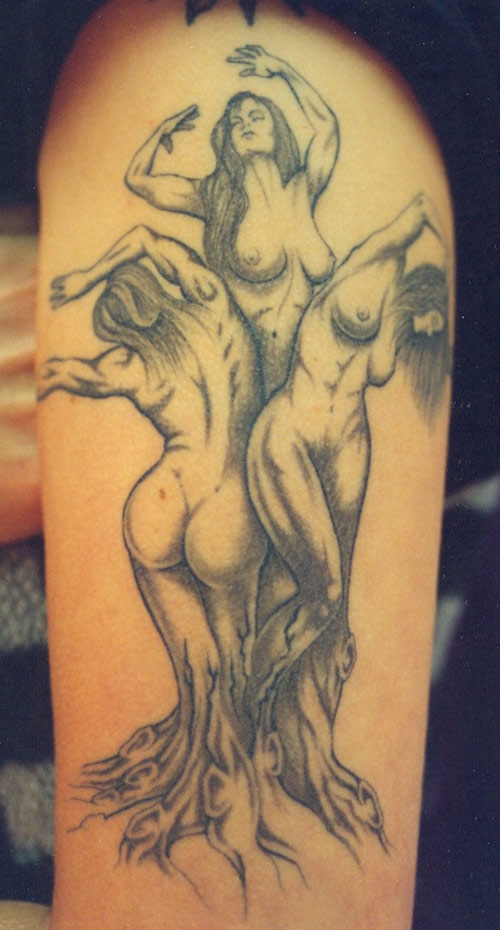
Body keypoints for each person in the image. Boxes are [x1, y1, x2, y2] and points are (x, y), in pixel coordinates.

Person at [39, 232, 267, 869]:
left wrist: (74, 289)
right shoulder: (215, 310)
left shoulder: (133, 369)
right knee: (237, 662)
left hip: (162, 498)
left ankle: (195, 750)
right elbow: (146, 239)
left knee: (196, 667)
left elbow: (68, 374)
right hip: (229, 500)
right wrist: (95, 272)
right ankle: (237, 776)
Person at [247, 192, 450, 848]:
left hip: (349, 447)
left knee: (334, 626)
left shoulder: (402, 297)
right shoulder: (367, 253)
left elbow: (385, 368)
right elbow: (401, 220)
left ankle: (310, 756)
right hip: (292, 438)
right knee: (322, 590)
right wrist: (413, 223)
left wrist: (412, 313)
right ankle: (254, 704)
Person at [124, 44, 339, 395]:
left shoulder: (303, 189)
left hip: (314, 382)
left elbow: (326, 127)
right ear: (228, 140)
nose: (246, 126)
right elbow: (138, 181)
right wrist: (162, 131)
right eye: (237, 123)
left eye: (256, 117)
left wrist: (283, 70)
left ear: (277, 128)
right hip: (249, 382)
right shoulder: (215, 197)